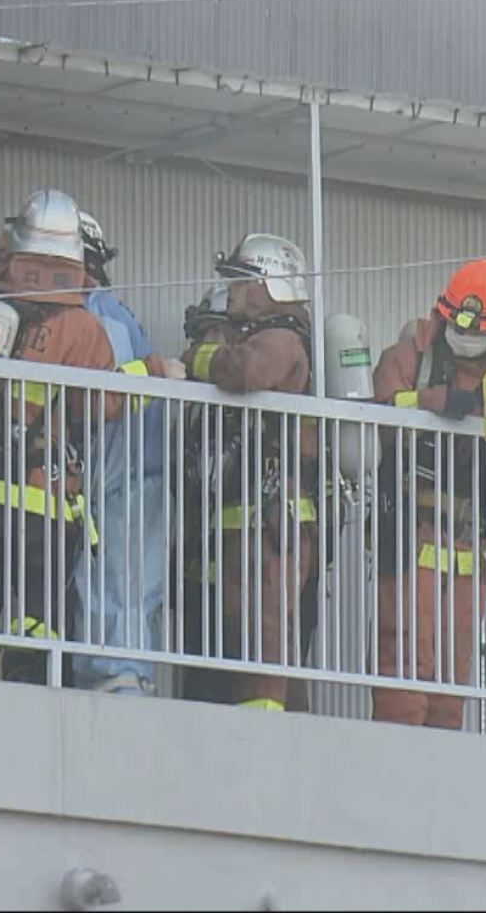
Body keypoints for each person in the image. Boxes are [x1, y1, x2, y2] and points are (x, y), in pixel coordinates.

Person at [0, 189, 123, 681]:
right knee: (39, 619)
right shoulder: (83, 327)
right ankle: (29, 694)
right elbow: (101, 404)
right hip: (44, 502)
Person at [368, 258, 486, 729]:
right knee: (404, 660)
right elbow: (382, 408)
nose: (463, 336)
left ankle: (444, 764)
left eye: (476, 330)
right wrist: (433, 405)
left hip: (472, 543)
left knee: (455, 671)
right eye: (455, 324)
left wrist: (483, 404)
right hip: (416, 530)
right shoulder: (413, 356)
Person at [180, 234, 318, 712]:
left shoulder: (280, 339)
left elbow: (246, 372)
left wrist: (198, 359)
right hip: (249, 514)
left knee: (266, 629)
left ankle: (268, 728)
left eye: (240, 281)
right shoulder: (258, 334)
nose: (232, 291)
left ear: (268, 285)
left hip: (273, 518)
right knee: (243, 626)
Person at [72, 210, 184, 696]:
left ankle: (118, 672)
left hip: (124, 479)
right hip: (133, 476)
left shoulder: (99, 317)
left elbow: (110, 397)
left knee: (119, 579)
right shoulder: (110, 313)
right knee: (126, 578)